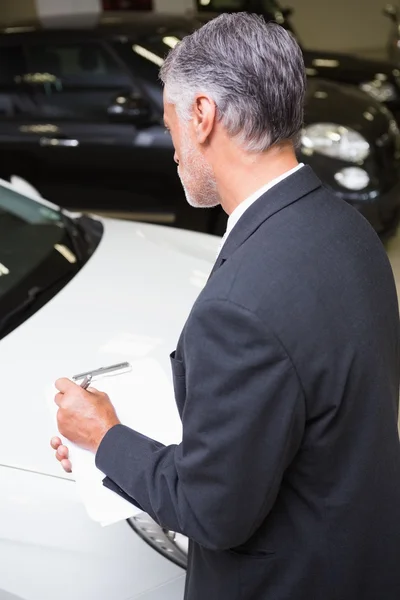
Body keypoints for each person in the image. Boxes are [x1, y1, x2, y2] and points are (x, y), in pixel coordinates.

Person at [51, 12, 400, 600]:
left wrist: (106, 438)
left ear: (204, 116)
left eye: (171, 127)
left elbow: (214, 512)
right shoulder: (348, 228)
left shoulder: (240, 307)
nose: (174, 152)